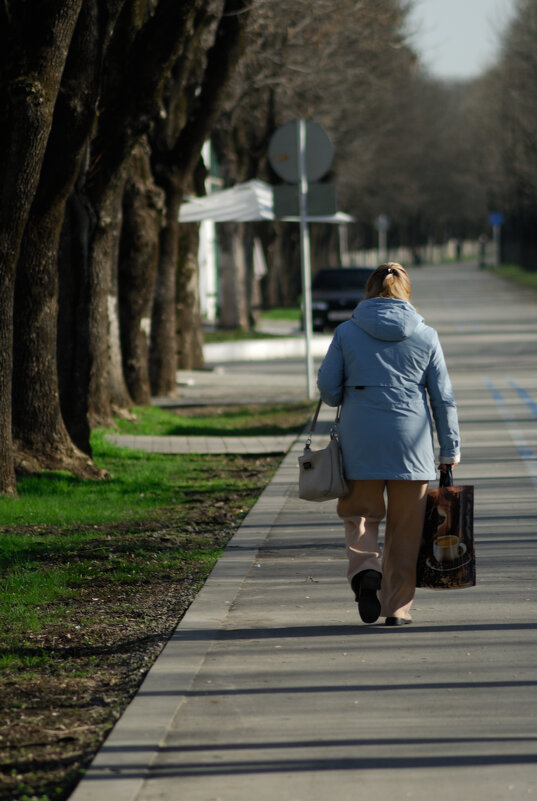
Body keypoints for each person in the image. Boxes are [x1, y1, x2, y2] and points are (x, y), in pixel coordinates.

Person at [317, 262, 460, 626]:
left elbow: (330, 392)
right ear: (406, 292)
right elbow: (442, 398)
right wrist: (449, 449)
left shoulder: (347, 333)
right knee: (406, 529)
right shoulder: (426, 335)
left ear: (368, 291)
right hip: (411, 444)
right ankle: (396, 607)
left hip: (359, 440)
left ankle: (366, 571)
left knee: (360, 515)